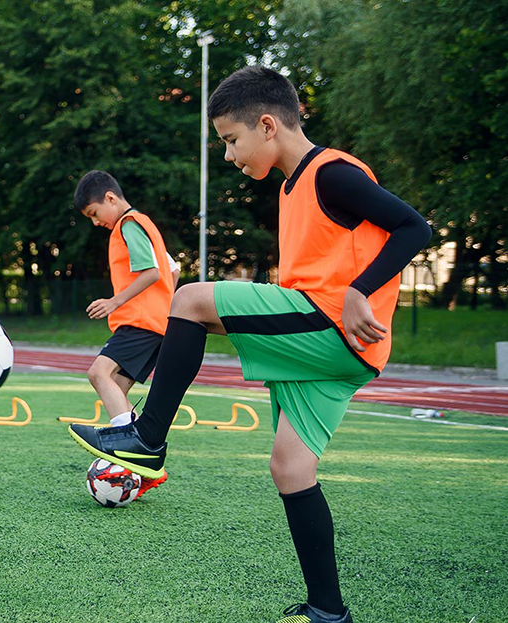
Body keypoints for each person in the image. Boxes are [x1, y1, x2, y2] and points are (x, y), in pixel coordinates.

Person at [68, 67, 432, 622]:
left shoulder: (328, 172)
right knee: (290, 468)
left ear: (267, 125)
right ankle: (328, 612)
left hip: (331, 327)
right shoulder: (292, 187)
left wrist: (361, 290)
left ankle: (146, 440)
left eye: (231, 141)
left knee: (189, 299)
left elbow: (414, 228)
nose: (231, 155)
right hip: (330, 349)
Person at [72, 170, 179, 498]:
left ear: (110, 198)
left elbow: (152, 272)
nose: (95, 222)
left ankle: (133, 449)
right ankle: (148, 468)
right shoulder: (144, 223)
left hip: (140, 322)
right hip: (155, 323)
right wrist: (167, 306)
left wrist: (113, 302)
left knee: (98, 373)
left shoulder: (128, 224)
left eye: (94, 214)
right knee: (116, 387)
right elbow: (172, 269)